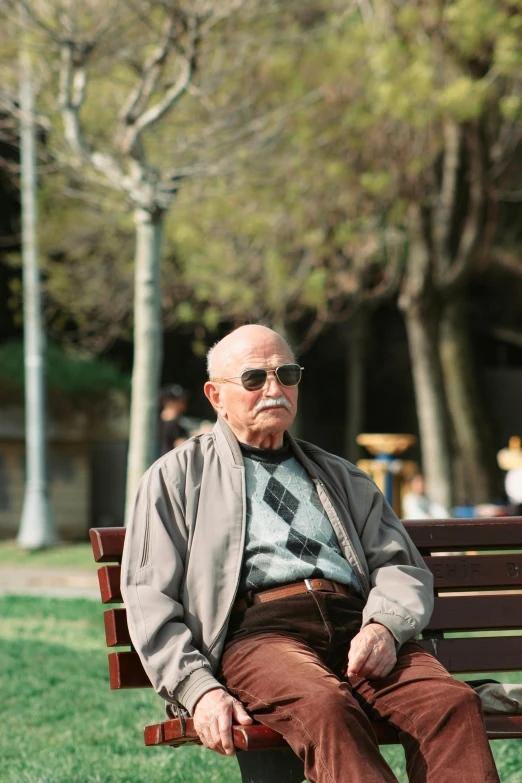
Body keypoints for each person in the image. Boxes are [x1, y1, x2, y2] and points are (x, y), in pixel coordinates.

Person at [122, 325, 499, 783]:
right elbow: (148, 599)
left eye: (286, 374)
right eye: (254, 379)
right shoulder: (176, 478)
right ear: (215, 395)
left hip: (356, 627)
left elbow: (398, 564)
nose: (274, 389)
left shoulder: (341, 476)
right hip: (260, 636)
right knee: (327, 707)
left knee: (450, 704)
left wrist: (384, 626)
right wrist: (198, 689)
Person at [158, 383, 189, 456]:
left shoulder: (156, 422)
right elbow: (182, 446)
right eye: (179, 400)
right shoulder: (172, 424)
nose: (183, 403)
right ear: (168, 402)